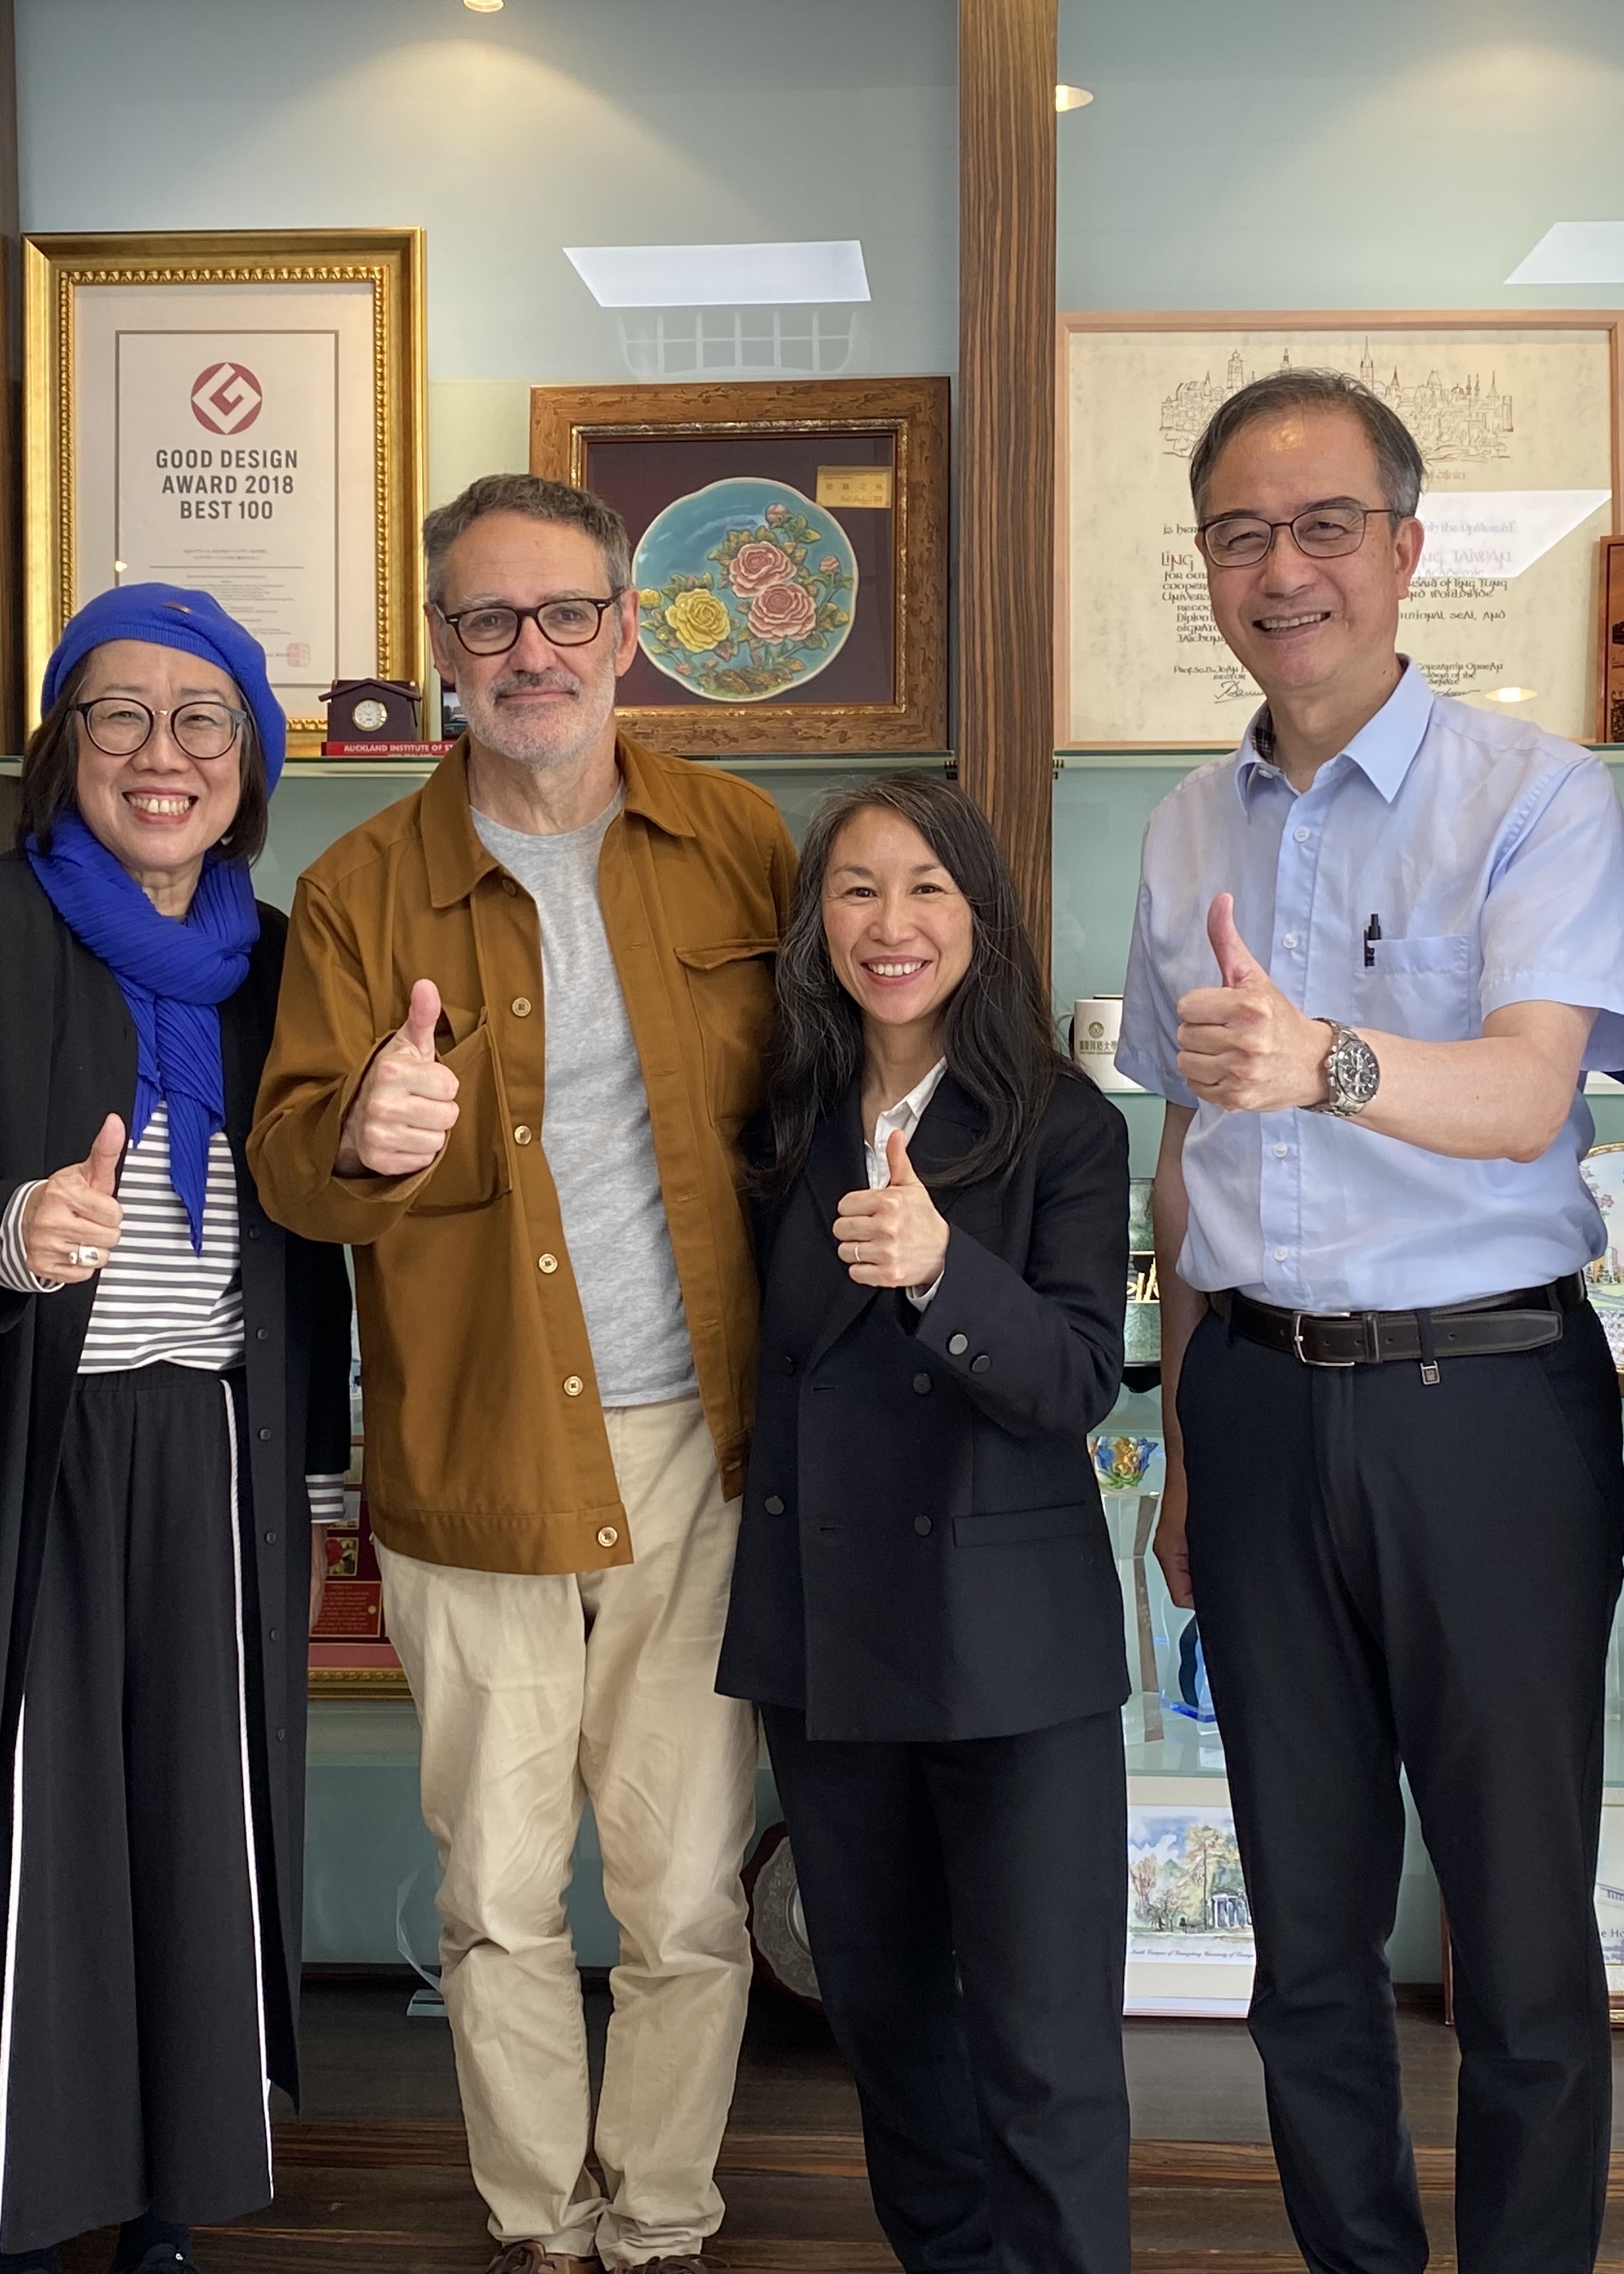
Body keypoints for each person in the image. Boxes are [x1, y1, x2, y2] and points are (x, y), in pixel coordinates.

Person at [1118, 368, 1624, 2274]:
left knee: (1520, 1930)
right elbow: (1186, 1158)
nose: (1286, 570)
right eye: (1241, 534)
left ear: (1407, 549)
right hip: (1259, 1407)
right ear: (1206, 567)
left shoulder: (1536, 795)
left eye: (1326, 526)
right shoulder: (1187, 827)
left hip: (1486, 1406)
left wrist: (1327, 1060)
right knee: (1306, 1927)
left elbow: (1529, 1095)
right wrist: (1186, 1444)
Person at [249, 471, 797, 2274]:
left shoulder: (737, 840)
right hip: (473, 1447)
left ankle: (663, 2213)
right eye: (489, 619)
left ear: (627, 631)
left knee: (684, 1890)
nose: (531, 652)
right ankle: (536, 2218)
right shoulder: (357, 889)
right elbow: (292, 1167)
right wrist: (369, 1134)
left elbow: (822, 1107)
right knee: (494, 1891)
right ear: (441, 647)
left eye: (567, 614)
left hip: (701, 1446)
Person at [0, 585, 353, 2274]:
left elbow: (314, 1224)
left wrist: (319, 1465)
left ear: (249, 762)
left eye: (202, 719)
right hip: (22, 1443)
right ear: (66, 748)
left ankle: (172, 2196)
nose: (160, 752)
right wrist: (20, 1227)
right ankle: (25, 2190)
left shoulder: (279, 960)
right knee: (36, 1815)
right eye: (118, 714)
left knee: (198, 1823)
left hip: (213, 1443)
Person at [719, 773, 1135, 2274]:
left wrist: (946, 1272)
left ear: (980, 916)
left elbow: (1078, 1379)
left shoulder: (1063, 1124)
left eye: (925, 889)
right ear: (815, 924)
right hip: (829, 1640)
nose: (889, 925)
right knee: (890, 2033)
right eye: (855, 890)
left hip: (1009, 1650)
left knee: (1042, 2042)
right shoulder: (783, 1116)